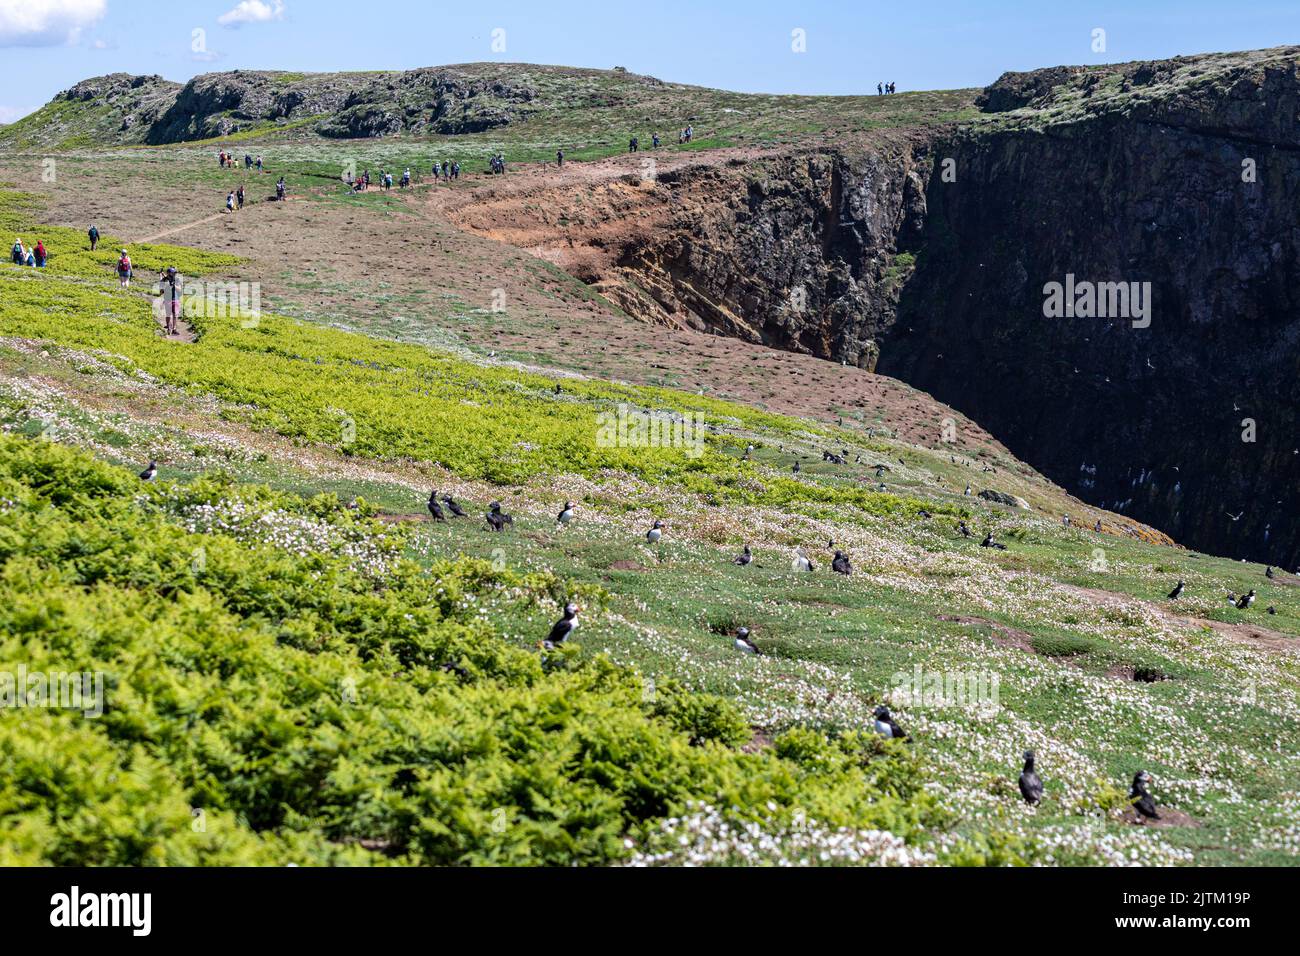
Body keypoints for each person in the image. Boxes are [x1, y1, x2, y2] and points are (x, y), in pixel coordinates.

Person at [160, 266, 182, 336]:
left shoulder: (177, 280)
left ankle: (174, 329)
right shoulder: (164, 280)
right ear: (169, 273)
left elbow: (180, 290)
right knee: (168, 314)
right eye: (173, 273)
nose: (175, 274)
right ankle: (169, 328)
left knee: (175, 315)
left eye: (175, 273)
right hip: (168, 299)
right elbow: (161, 292)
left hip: (175, 299)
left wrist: (174, 286)